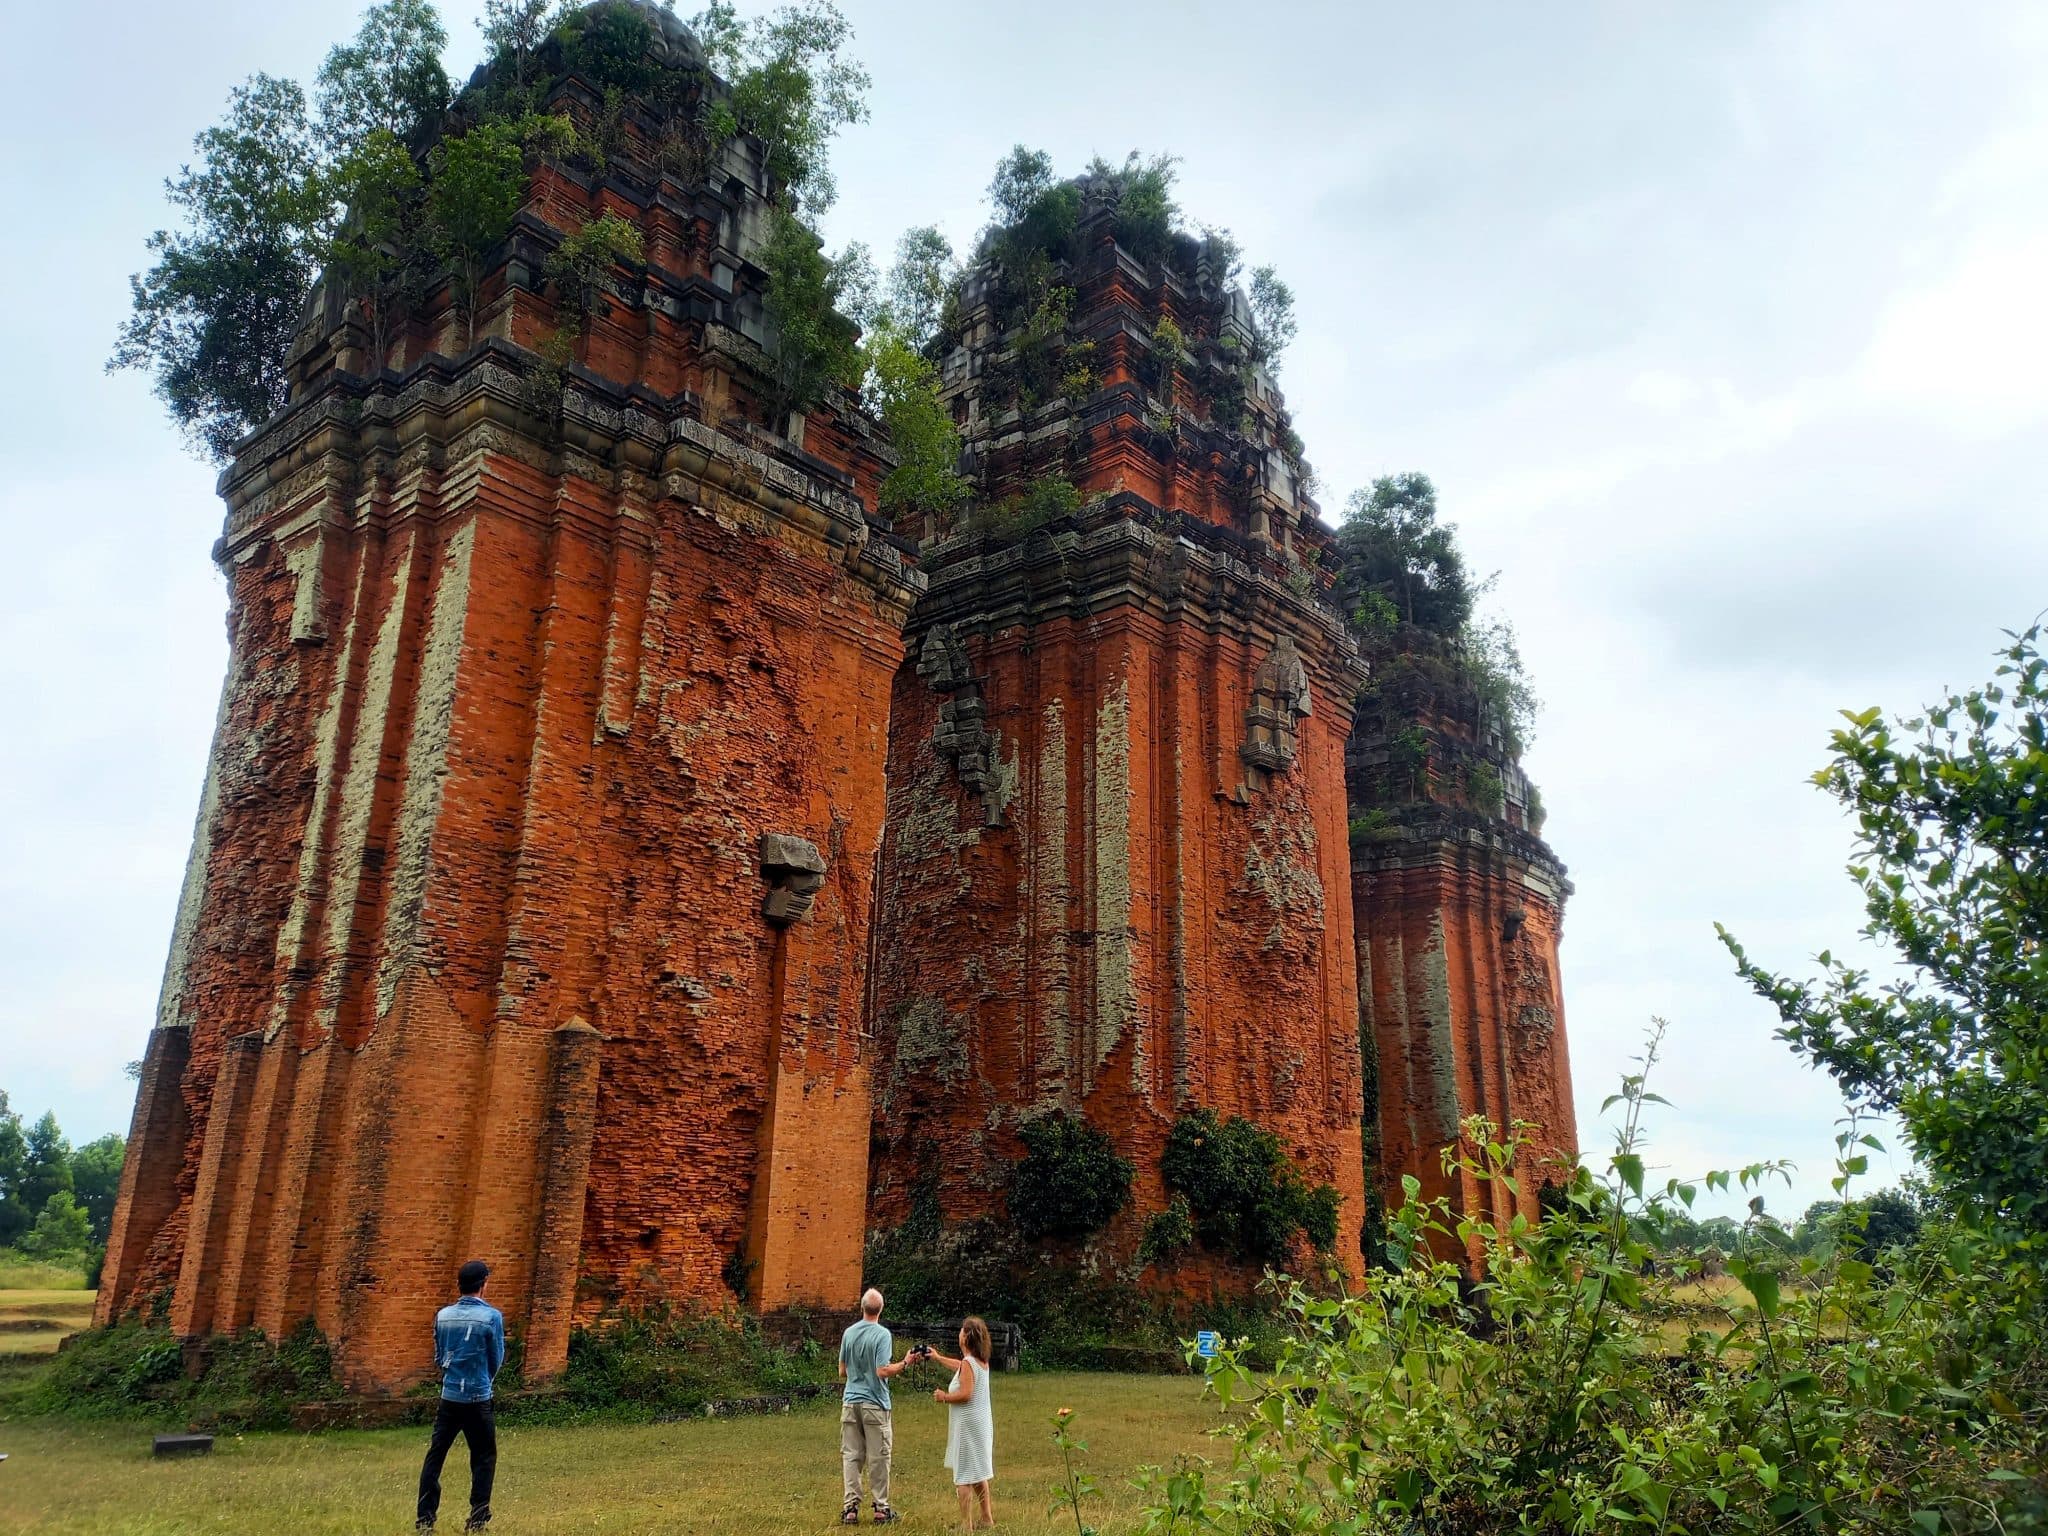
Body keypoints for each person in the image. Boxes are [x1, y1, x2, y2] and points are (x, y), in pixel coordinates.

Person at [416, 1259, 506, 1532]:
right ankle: (477, 1518)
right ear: (484, 1283)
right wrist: (482, 1381)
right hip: (478, 1397)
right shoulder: (491, 1317)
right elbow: (496, 1359)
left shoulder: (443, 1315)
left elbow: (439, 1355)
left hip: (450, 1395)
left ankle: (425, 1519)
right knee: (483, 1457)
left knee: (436, 1455)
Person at [840, 1287, 912, 1525]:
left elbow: (842, 1370)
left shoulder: (849, 1333)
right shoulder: (882, 1335)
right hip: (875, 1402)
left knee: (852, 1455)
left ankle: (850, 1507)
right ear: (880, 1309)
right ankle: (881, 1507)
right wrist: (904, 1363)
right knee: (879, 1455)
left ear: (862, 1308)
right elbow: (882, 1370)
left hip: (851, 1401)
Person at [927, 1316, 997, 1531]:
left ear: (966, 1336)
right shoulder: (979, 1361)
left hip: (968, 1426)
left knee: (964, 1476)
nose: (959, 1333)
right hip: (981, 1424)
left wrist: (944, 1397)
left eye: (961, 1331)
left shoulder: (969, 1363)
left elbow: (966, 1394)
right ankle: (986, 1519)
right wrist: (938, 1358)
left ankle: (966, 1526)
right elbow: (960, 1366)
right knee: (978, 1472)